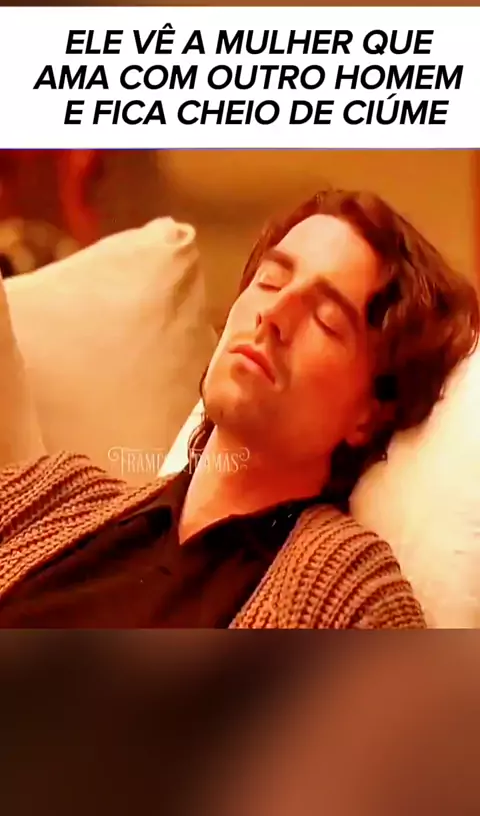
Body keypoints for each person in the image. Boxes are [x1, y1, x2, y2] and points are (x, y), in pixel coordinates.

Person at [0, 188, 477, 628]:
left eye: (327, 319)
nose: (274, 314)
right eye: (270, 281)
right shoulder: (53, 494)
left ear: (369, 413)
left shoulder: (353, 595)